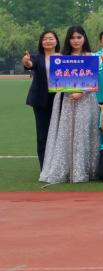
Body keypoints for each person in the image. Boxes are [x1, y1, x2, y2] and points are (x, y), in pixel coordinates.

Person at [39, 26, 100, 184]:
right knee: (66, 132)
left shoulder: (92, 56)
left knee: (83, 132)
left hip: (86, 100)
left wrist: (81, 92)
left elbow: (93, 79)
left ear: (84, 38)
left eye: (79, 37)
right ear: (68, 39)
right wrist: (68, 91)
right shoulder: (61, 57)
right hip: (66, 99)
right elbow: (57, 79)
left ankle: (84, 169)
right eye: (72, 38)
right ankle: (65, 169)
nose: (76, 41)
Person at [22, 29, 60, 169]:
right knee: (43, 134)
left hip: (60, 99)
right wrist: (26, 62)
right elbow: (29, 64)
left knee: (59, 133)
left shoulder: (63, 57)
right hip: (41, 99)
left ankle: (58, 166)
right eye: (45, 39)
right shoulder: (36, 57)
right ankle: (44, 167)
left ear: (56, 41)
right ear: (41, 42)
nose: (48, 41)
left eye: (51, 38)